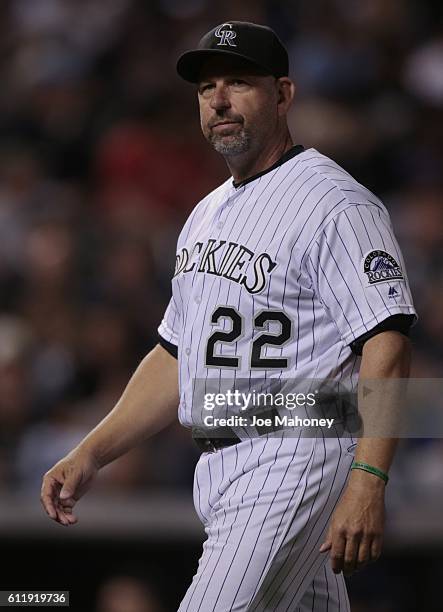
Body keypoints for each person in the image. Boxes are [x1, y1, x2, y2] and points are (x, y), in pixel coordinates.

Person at [41, 21, 417, 611]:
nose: (218, 99)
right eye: (206, 86)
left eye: (239, 82)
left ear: (283, 95)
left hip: (297, 452)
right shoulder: (206, 213)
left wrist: (370, 479)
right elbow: (174, 357)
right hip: (221, 464)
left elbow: (388, 346)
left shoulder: (335, 203)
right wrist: (93, 450)